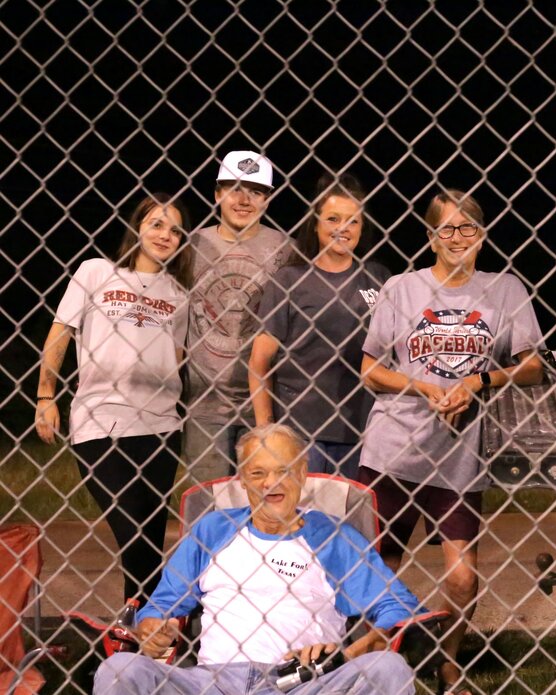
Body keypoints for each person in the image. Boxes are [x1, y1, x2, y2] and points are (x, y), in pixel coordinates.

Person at [357, 190, 544, 695]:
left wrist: (478, 382)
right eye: (446, 228)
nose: (457, 237)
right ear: (430, 236)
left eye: (467, 228)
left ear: (482, 235)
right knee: (382, 566)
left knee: (462, 577)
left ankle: (447, 661)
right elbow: (369, 368)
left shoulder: (505, 290)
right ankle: (375, 658)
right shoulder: (402, 288)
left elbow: (533, 365)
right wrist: (424, 386)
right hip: (393, 447)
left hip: (459, 456)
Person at [92, 424, 418, 695]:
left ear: (303, 473)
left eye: (282, 471)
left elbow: (401, 611)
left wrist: (344, 655)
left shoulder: (334, 538)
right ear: (243, 479)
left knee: (387, 669)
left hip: (305, 684)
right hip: (213, 683)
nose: (269, 483)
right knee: (120, 669)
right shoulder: (213, 530)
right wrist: (153, 628)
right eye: (258, 472)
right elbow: (162, 606)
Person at [34, 193, 192, 604]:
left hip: (160, 427)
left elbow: (175, 359)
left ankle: (139, 631)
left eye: (175, 229)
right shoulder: (96, 272)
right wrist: (45, 394)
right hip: (98, 421)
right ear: (137, 227)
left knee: (148, 541)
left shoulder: (178, 294)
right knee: (132, 532)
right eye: (156, 224)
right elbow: (61, 333)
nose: (165, 235)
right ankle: (151, 623)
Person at [249, 173, 390, 479]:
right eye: (333, 219)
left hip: (362, 431)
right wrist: (265, 427)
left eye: (353, 221)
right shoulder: (289, 281)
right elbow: (260, 361)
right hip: (301, 433)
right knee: (303, 518)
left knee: (350, 521)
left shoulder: (379, 279)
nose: (343, 228)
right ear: (315, 224)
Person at [184, 150, 289, 484]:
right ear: (217, 194)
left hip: (268, 403)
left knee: (265, 504)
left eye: (255, 191)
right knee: (208, 507)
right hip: (204, 406)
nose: (244, 199)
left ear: (268, 199)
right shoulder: (191, 245)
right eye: (234, 189)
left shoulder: (287, 249)